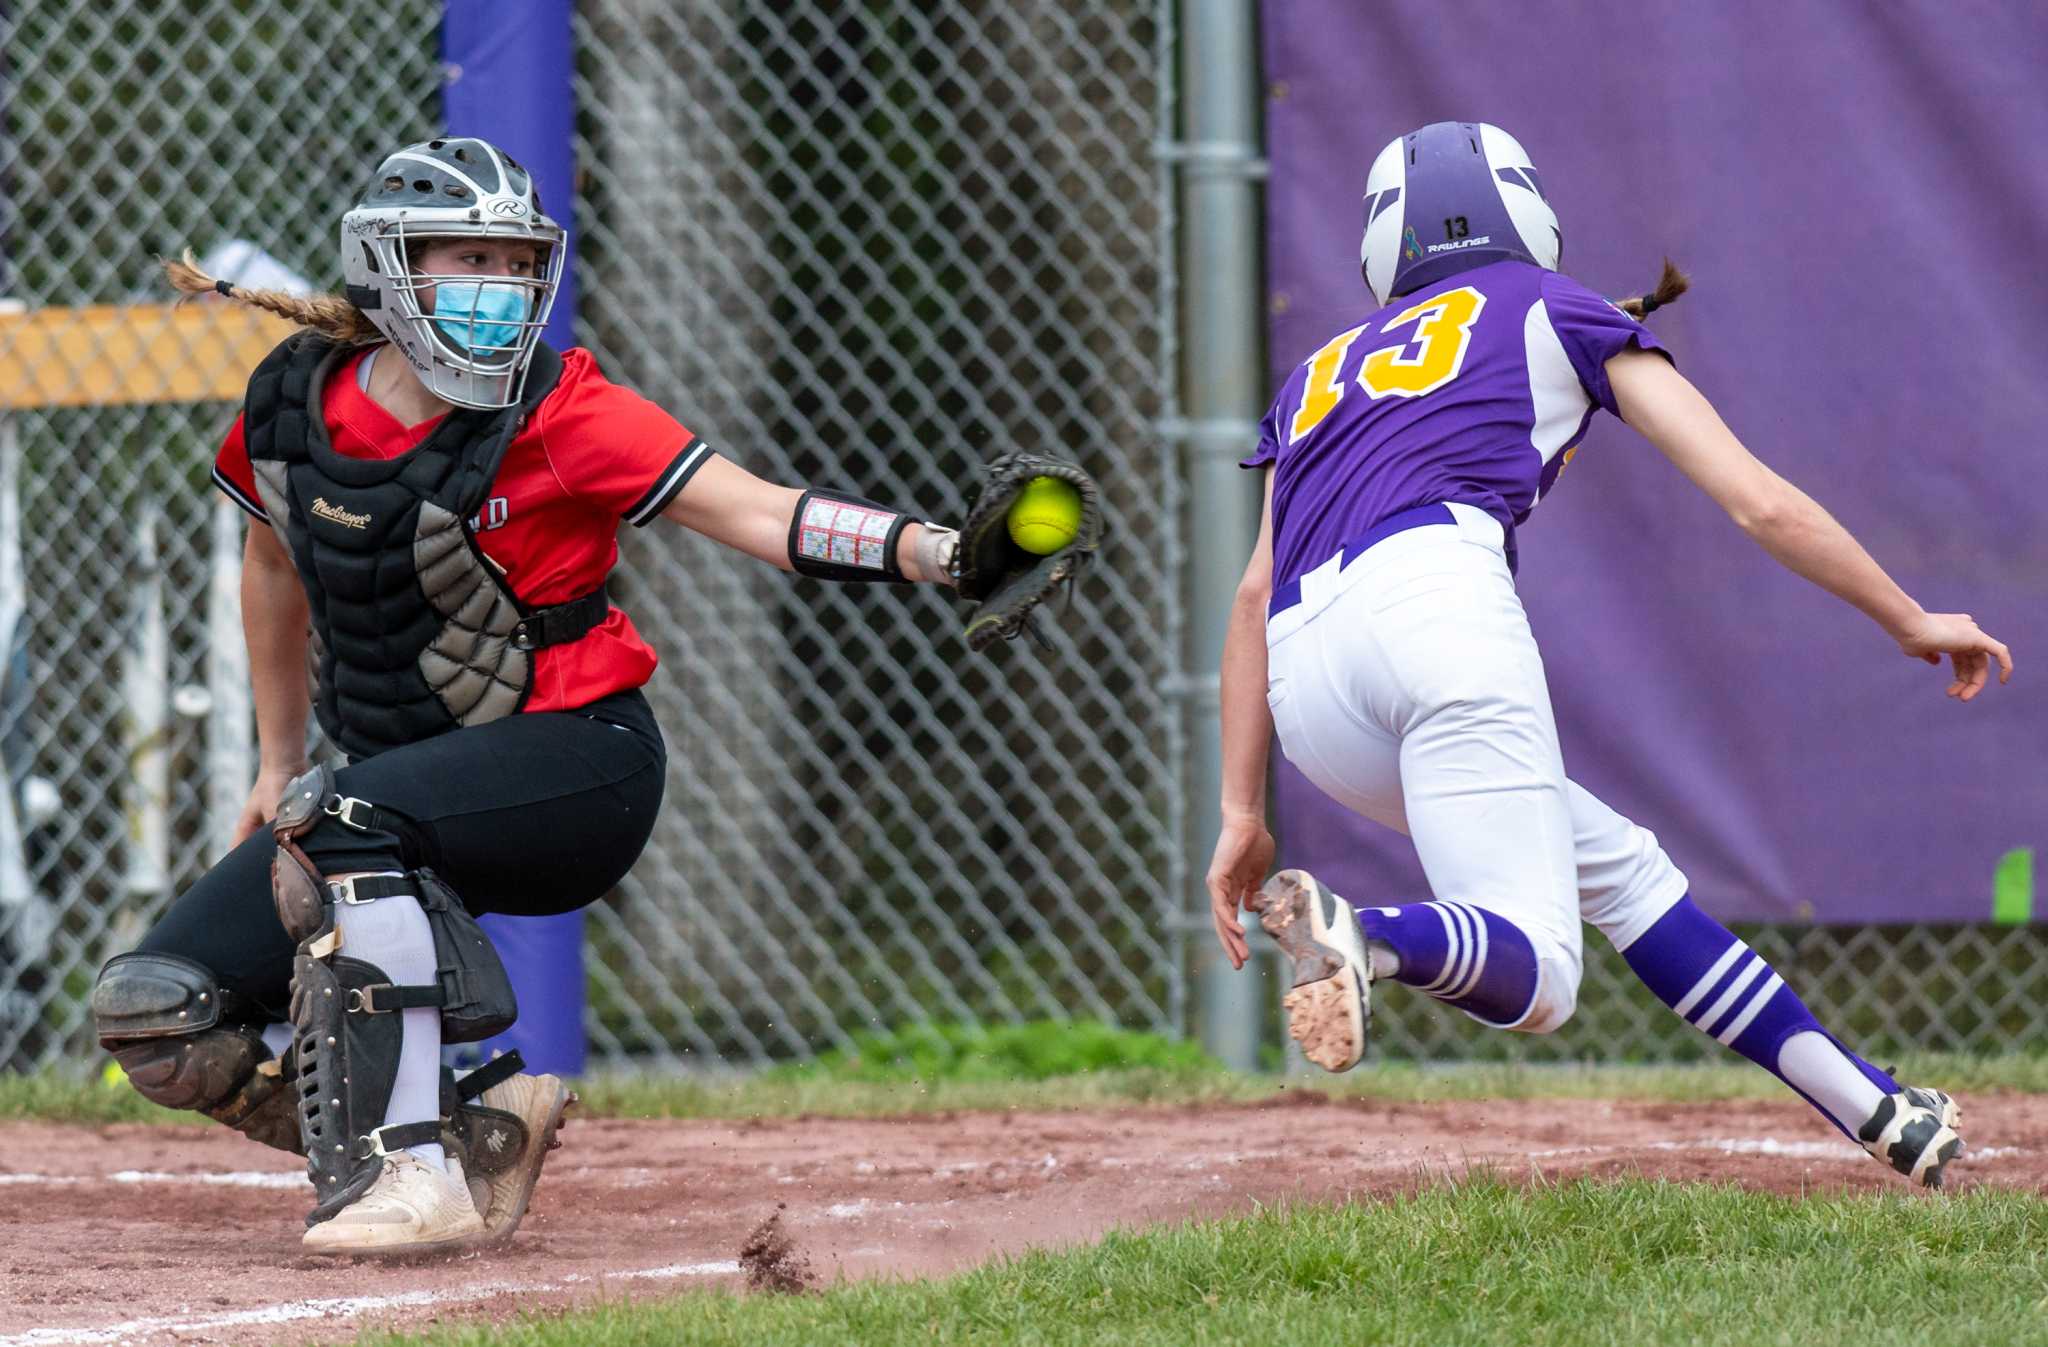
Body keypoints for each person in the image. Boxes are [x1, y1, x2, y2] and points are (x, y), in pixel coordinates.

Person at [87, 136, 992, 1254]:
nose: (497, 289)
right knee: (158, 1007)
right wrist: (275, 760)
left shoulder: (562, 407)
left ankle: (406, 1175)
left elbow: (764, 513)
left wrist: (937, 554)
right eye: (463, 260)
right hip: (386, 792)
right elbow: (272, 566)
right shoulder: (291, 407)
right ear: (386, 269)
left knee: (351, 820)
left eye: (514, 264)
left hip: (579, 763)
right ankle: (471, 1136)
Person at [1204, 121, 2012, 1188]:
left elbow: (1254, 589)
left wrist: (1240, 811)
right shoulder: (1552, 303)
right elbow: (1756, 501)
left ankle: (1877, 1112)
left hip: (1308, 695)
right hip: (1430, 607)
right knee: (1537, 978)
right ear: (1524, 211)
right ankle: (1365, 938)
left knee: (1622, 876)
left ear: (1382, 248)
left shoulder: (1315, 372)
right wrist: (1906, 616)